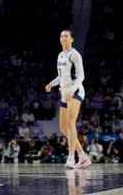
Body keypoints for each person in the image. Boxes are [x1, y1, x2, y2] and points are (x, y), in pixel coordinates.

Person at [45, 29, 91, 169]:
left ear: (71, 39)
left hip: (75, 90)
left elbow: (81, 76)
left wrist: (72, 90)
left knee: (71, 124)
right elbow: (61, 77)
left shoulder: (75, 54)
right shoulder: (60, 55)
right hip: (64, 93)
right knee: (63, 128)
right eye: (61, 36)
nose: (63, 38)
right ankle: (83, 156)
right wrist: (51, 84)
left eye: (66, 36)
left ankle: (71, 157)